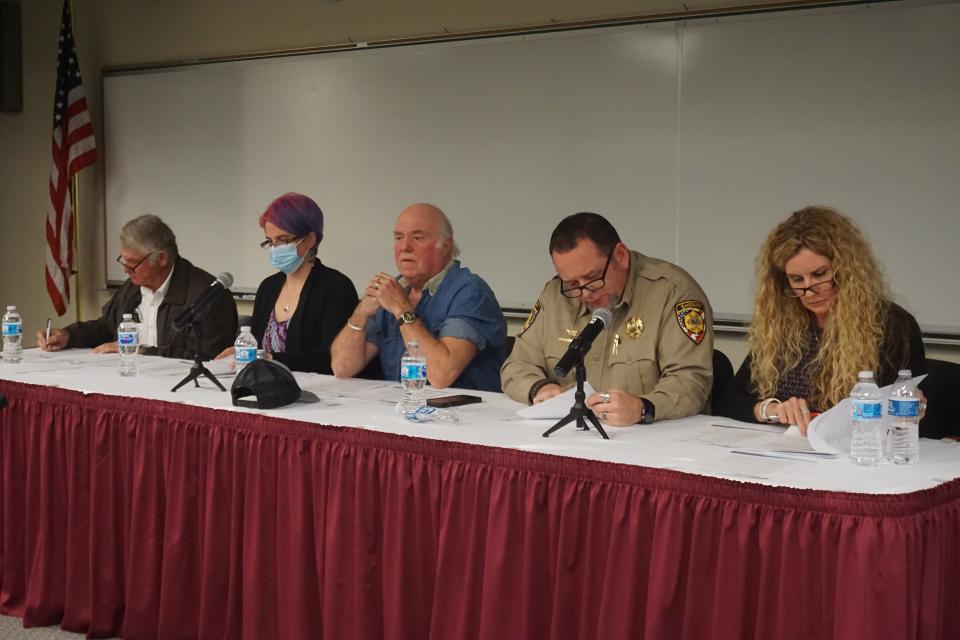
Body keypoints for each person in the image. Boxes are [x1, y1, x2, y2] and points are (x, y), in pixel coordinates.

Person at [715, 206, 926, 434]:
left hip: (855, 452)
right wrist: (771, 409)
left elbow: (906, 414)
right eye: (797, 280)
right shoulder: (781, 323)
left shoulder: (891, 325)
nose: (809, 291)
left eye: (819, 275)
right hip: (785, 450)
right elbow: (730, 402)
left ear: (845, 269)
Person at [501, 212, 714, 425]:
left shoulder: (673, 292)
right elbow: (517, 365)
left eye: (592, 278)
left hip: (651, 439)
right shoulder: (555, 294)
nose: (585, 294)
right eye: (572, 283)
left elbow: (691, 382)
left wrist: (643, 407)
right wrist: (539, 387)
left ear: (620, 255)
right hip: (569, 434)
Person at [330, 203, 506, 391]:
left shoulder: (470, 292)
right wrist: (361, 313)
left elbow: (441, 375)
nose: (404, 247)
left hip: (462, 415)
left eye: (418, 238)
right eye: (399, 237)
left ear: (446, 246)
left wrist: (401, 310)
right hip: (400, 409)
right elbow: (342, 368)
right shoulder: (392, 290)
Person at [37, 214, 238, 360]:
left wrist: (140, 350)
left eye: (132, 262)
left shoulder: (208, 295)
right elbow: (107, 327)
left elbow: (207, 358)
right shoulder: (134, 286)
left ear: (162, 258)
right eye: (123, 261)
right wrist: (68, 336)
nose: (126, 270)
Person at [216, 192, 365, 374]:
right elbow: (255, 345)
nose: (275, 249)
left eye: (283, 240)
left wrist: (270, 358)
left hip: (320, 393)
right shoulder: (268, 287)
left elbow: (331, 357)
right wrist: (240, 353)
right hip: (266, 385)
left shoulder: (336, 287)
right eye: (270, 242)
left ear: (310, 239)